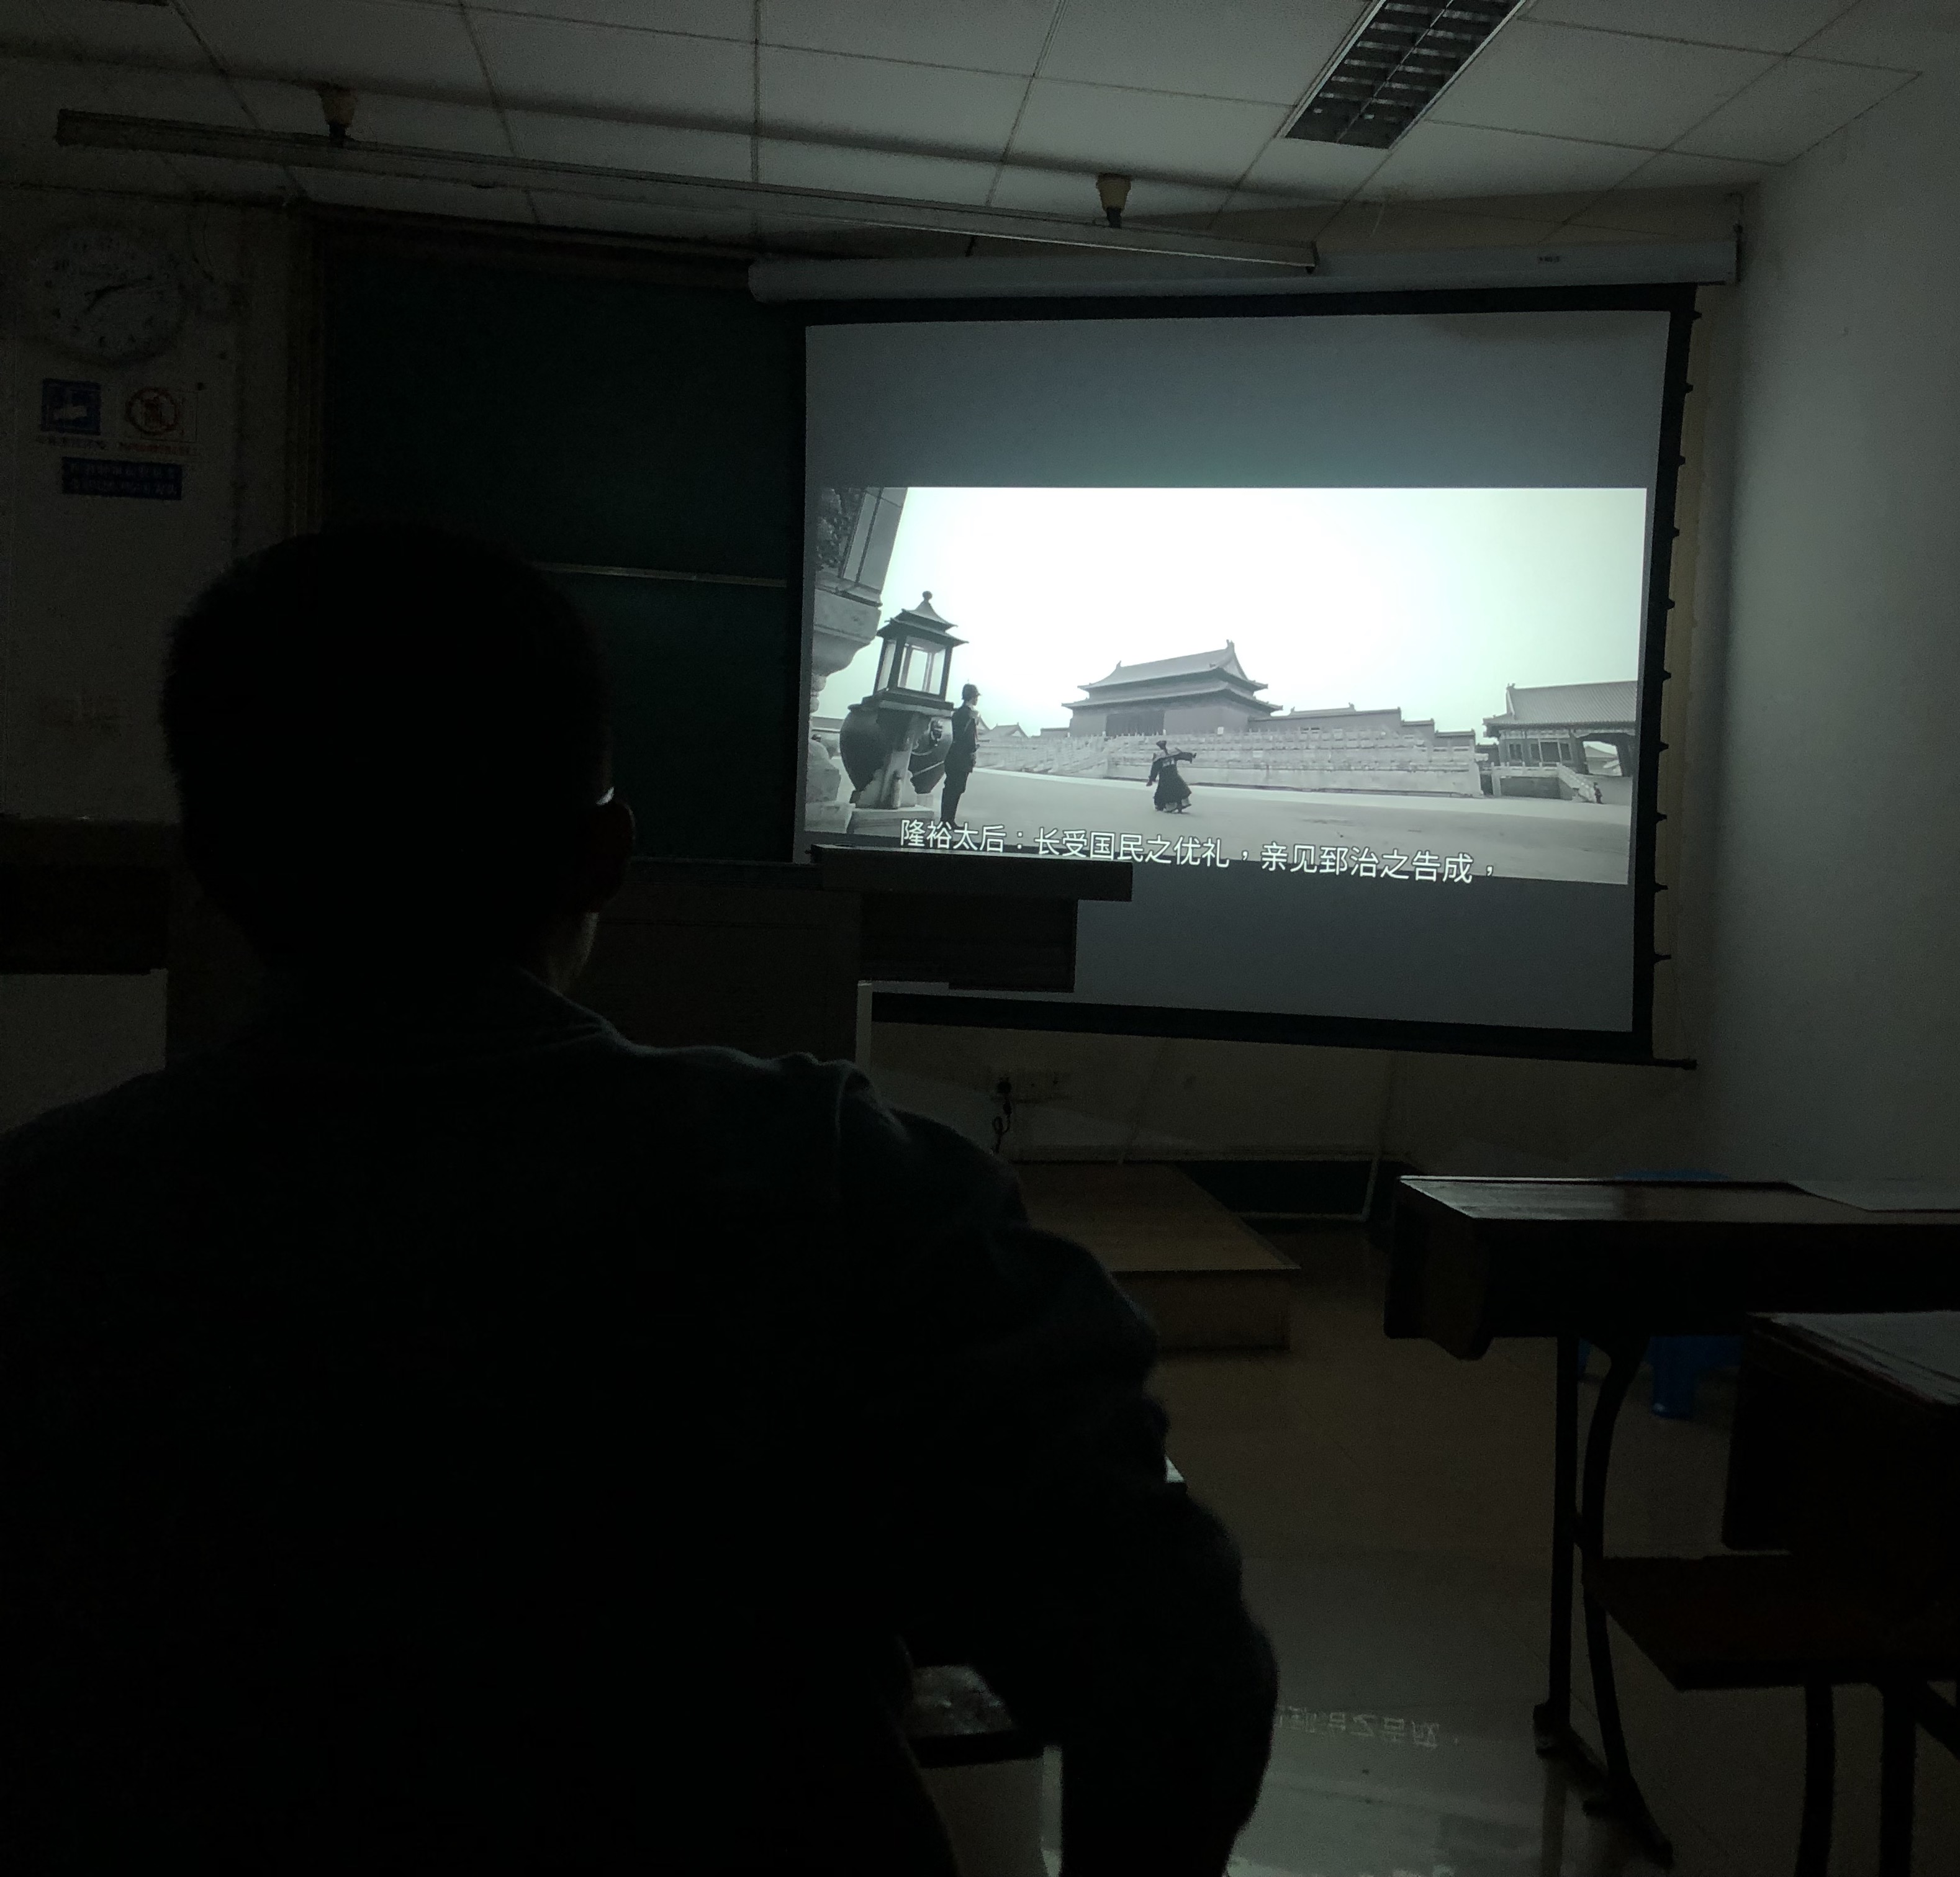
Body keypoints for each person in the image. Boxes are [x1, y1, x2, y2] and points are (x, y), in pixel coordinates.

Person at [0, 527, 1275, 1873]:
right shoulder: (842, 1188)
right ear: (605, 854)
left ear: (206, 865)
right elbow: (1176, 1671)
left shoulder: (44, 1225)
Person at [941, 682, 982, 827]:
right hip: (962, 758)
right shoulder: (969, 714)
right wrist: (973, 752)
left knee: (951, 788)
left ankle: (946, 819)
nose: (977, 699)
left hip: (952, 755)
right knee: (956, 789)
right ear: (973, 697)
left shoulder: (957, 713)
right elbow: (969, 737)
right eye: (976, 696)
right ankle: (948, 820)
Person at [1147, 739, 1196, 813]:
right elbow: (1182, 755)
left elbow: (1154, 770)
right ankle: (1180, 804)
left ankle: (1168, 806)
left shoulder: (1158, 757)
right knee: (1180, 791)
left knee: (1164, 793)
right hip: (1174, 776)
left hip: (1165, 779)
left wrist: (1151, 780)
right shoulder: (1173, 754)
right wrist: (1190, 756)